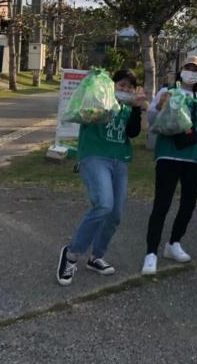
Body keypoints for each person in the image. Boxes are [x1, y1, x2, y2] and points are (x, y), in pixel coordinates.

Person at [57, 69, 148, 286]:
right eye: (120, 84)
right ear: (111, 85)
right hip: (95, 156)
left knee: (115, 213)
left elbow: (133, 133)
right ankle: (71, 254)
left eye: (129, 86)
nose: (124, 89)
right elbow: (85, 114)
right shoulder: (99, 99)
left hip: (120, 159)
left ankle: (97, 256)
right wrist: (96, 86)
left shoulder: (127, 108)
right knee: (104, 205)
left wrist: (136, 108)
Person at [142, 55, 197, 275]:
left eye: (196, 69)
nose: (191, 72)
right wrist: (158, 105)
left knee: (188, 203)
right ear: (181, 70)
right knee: (162, 204)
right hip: (169, 155)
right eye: (188, 67)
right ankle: (151, 253)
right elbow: (153, 119)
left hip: (195, 157)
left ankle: (174, 242)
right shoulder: (168, 91)